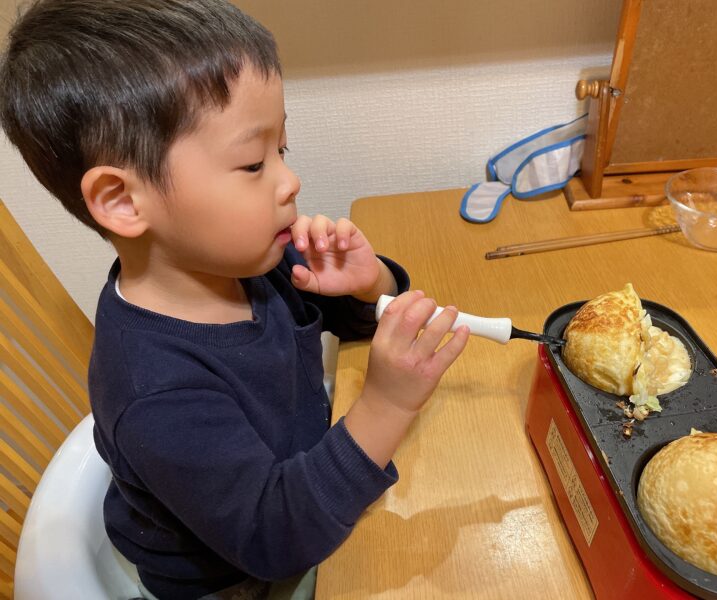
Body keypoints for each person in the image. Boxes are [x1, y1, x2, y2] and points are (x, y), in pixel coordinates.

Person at [0, 1, 470, 598]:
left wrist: (367, 283)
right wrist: (387, 406)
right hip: (233, 573)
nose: (288, 180)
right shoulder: (155, 391)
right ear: (122, 200)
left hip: (302, 488)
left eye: (283, 152)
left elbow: (357, 328)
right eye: (253, 162)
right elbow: (274, 539)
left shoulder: (245, 260)